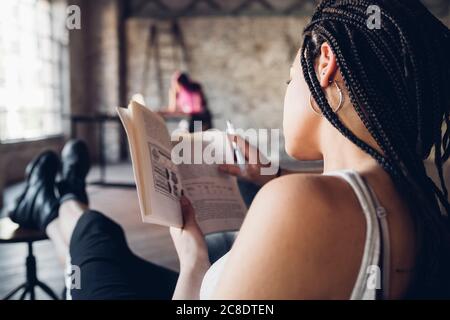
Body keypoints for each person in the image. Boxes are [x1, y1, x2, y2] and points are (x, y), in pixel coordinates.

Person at [9, 0, 450, 299]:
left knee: (95, 234)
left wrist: (193, 258)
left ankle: (58, 200)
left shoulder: (303, 204)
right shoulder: (414, 200)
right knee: (117, 255)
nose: (288, 92)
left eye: (289, 80)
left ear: (325, 63)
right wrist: (270, 176)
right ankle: (54, 196)